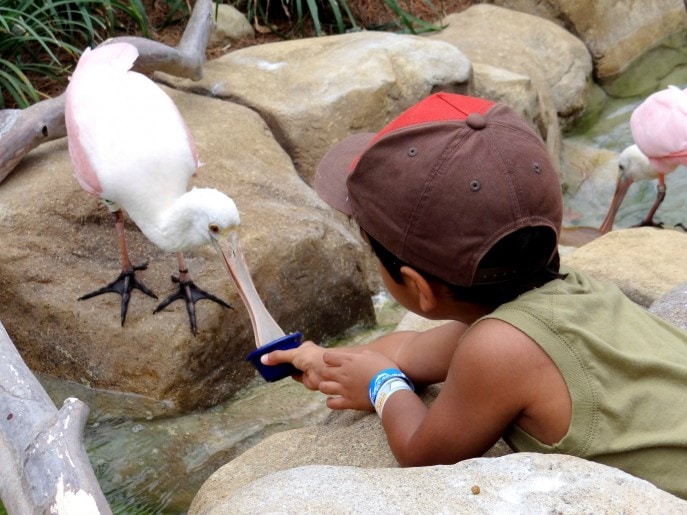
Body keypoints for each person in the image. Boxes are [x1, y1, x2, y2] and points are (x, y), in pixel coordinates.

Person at [262, 92, 687, 499]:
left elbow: (422, 454)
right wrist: (322, 360)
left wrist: (381, 384)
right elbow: (410, 348)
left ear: (418, 288)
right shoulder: (559, 296)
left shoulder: (499, 350)